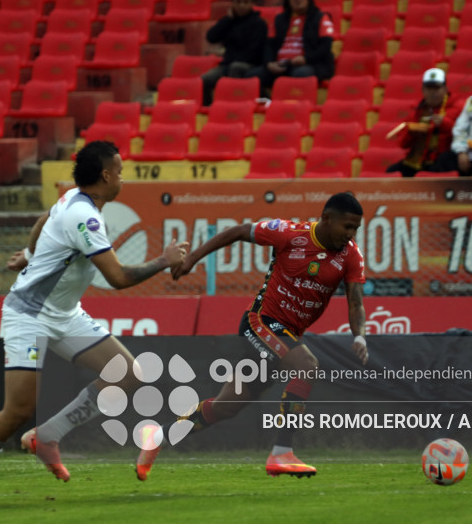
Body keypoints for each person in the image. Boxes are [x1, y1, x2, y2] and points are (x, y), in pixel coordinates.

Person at [0, 141, 189, 505]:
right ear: (106, 175)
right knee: (18, 410)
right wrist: (164, 260)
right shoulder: (84, 216)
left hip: (64, 313)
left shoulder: (75, 199)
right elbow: (119, 278)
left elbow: (45, 219)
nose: (122, 177)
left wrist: (30, 254)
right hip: (28, 315)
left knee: (127, 372)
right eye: (120, 171)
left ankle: (48, 436)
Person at [135, 192, 369, 481]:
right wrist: (193, 259)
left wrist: (360, 337)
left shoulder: (351, 255)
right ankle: (282, 453)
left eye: (355, 228)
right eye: (347, 226)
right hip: (260, 323)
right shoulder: (288, 233)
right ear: (326, 219)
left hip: (285, 337)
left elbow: (356, 301)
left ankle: (157, 437)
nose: (351, 234)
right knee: (306, 366)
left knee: (225, 407)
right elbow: (236, 231)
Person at [245, 0, 335, 97]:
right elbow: (269, 45)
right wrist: (269, 63)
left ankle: (291, 108)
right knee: (250, 76)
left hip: (309, 64)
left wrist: (305, 59)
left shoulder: (321, 17)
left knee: (300, 73)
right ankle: (268, 102)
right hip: (282, 64)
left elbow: (325, 47)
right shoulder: (279, 19)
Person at [386, 68, 460, 177]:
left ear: (445, 89)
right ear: (423, 90)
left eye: (436, 88)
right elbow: (402, 144)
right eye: (429, 88)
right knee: (391, 171)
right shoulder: (416, 110)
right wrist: (410, 131)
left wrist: (444, 123)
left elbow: (462, 135)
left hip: (440, 160)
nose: (432, 93)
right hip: (416, 160)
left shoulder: (456, 108)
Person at [202, 0, 268, 106]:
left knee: (236, 67)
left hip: (250, 65)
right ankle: (208, 110)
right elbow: (211, 37)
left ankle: (233, 105)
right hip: (227, 65)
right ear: (232, 3)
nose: (242, 5)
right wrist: (227, 20)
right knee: (205, 80)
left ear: (252, 3)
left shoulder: (259, 23)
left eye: (246, 2)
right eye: (238, 1)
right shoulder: (229, 21)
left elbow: (255, 51)